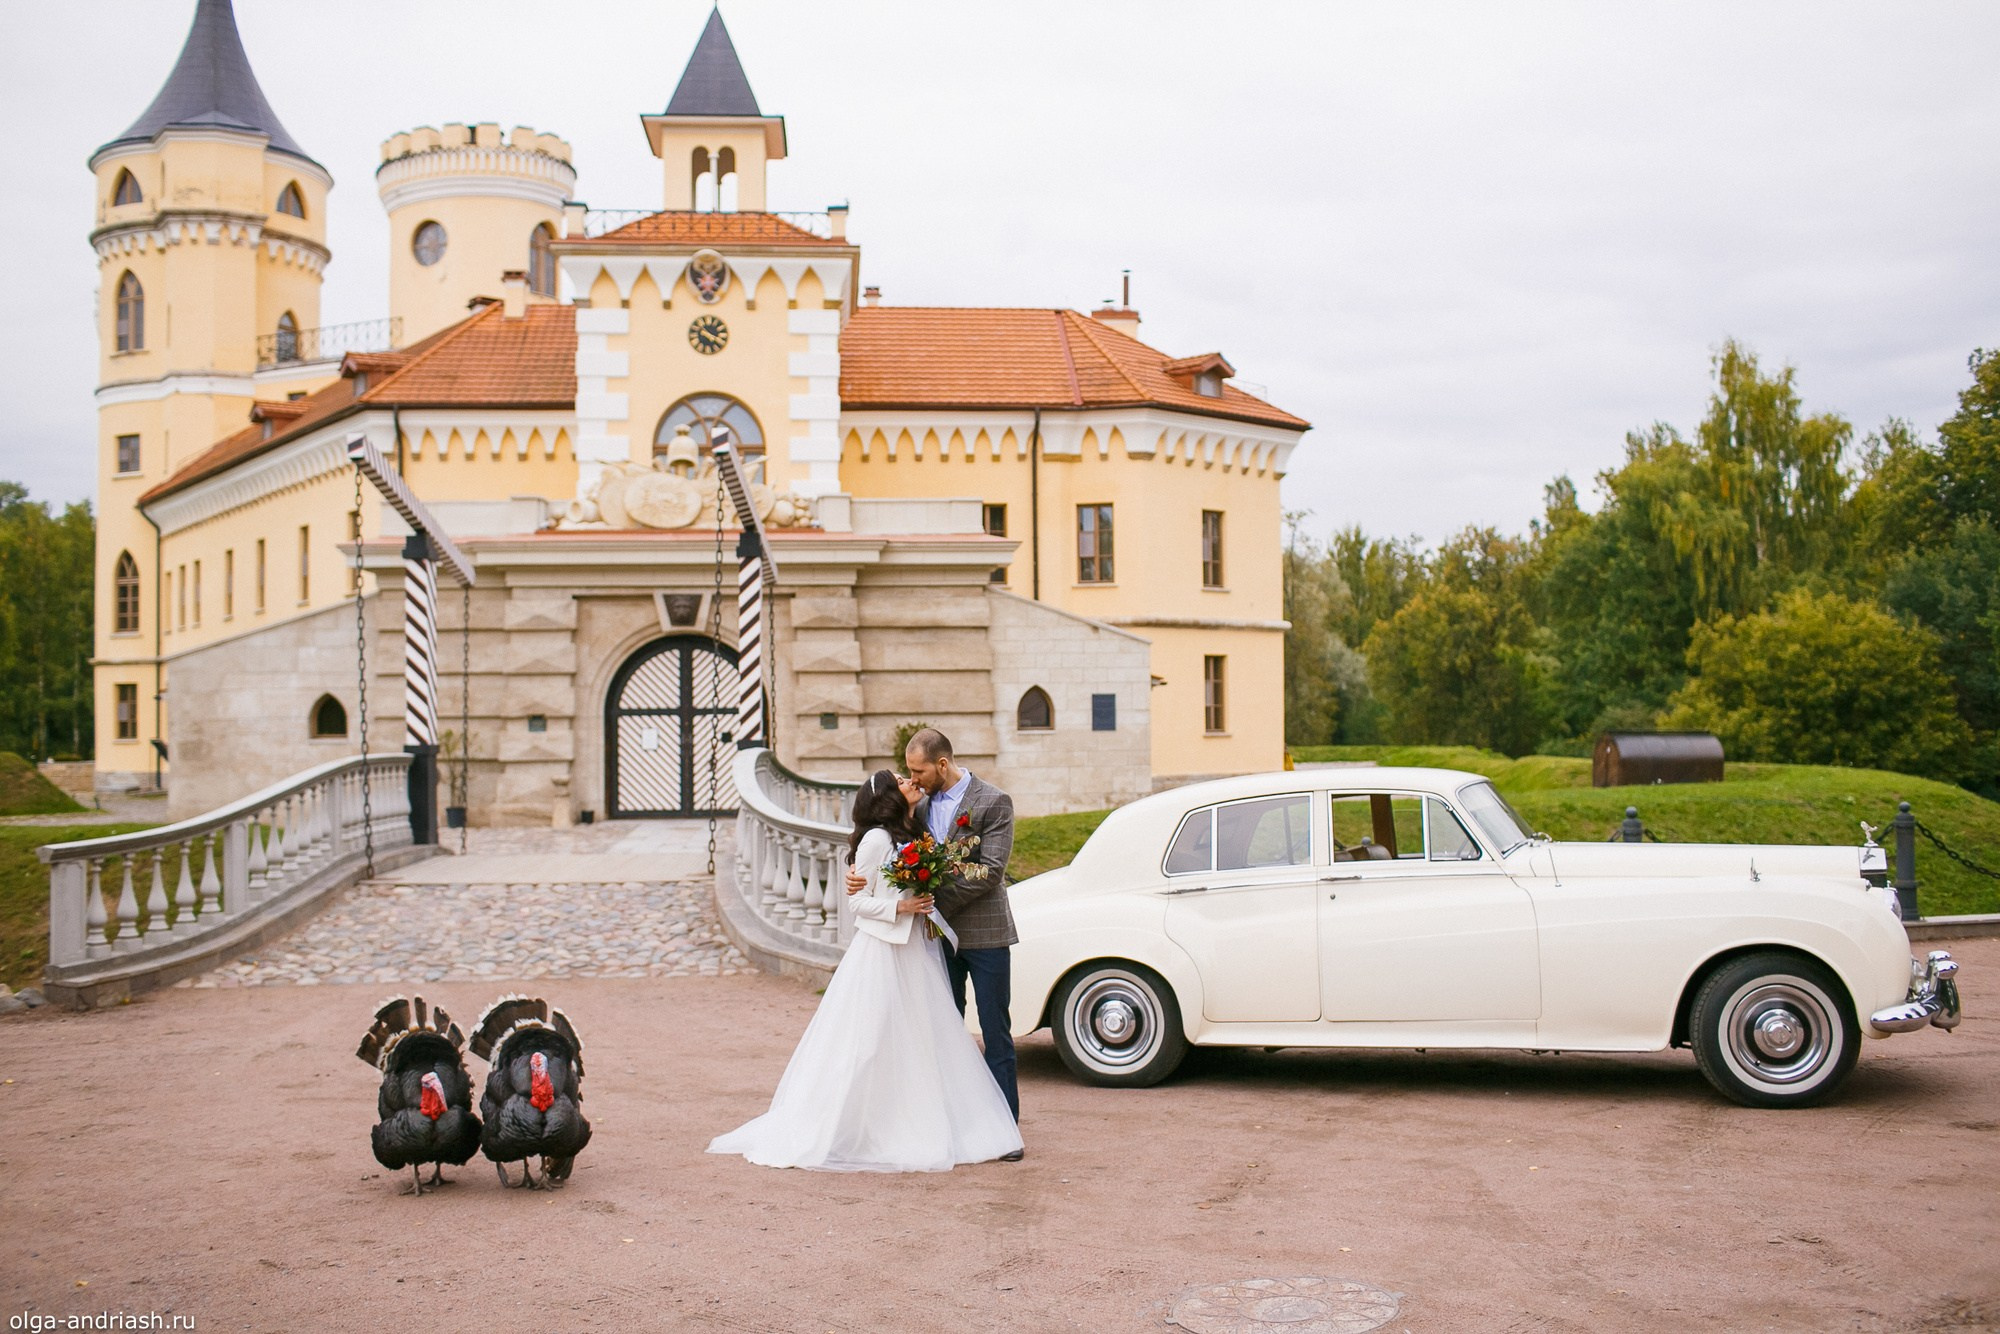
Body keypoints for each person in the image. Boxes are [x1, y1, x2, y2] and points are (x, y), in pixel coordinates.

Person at [707, 769, 1022, 1172]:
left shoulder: (914, 826)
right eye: (901, 780)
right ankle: (866, 1122)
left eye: (912, 775)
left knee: (925, 1037)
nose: (911, 781)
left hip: (918, 948)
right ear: (890, 796)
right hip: (885, 951)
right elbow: (858, 903)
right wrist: (900, 906)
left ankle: (944, 1117)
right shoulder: (877, 839)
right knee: (873, 1040)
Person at [847, 727, 1023, 1159]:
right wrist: (856, 871)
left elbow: (991, 871)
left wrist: (926, 893)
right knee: (943, 1030)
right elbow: (884, 845)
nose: (913, 778)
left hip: (985, 933)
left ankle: (1005, 1131)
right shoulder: (916, 806)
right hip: (930, 938)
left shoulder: (993, 801)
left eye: (917, 770)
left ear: (941, 764)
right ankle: (950, 1123)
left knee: (996, 1030)